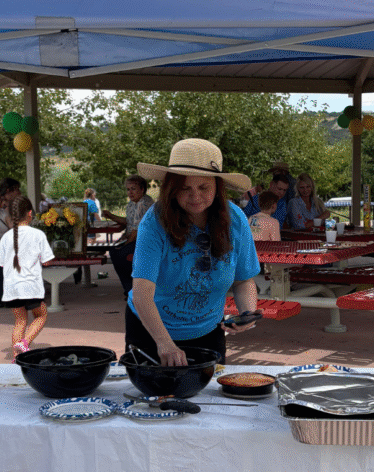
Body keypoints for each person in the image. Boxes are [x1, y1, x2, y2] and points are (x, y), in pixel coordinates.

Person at [129, 138, 260, 365]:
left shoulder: (236, 219)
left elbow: (243, 281)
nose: (195, 196)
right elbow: (142, 293)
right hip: (152, 330)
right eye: (185, 188)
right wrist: (165, 344)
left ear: (218, 188)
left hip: (210, 329)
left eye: (203, 187)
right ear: (171, 189)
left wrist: (247, 312)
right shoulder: (153, 222)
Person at [0, 196, 53, 358]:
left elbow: (1, 263)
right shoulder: (38, 234)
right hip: (30, 286)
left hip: (11, 287)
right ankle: (25, 342)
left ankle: (16, 357)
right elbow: (47, 261)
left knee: (20, 321)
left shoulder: (6, 237)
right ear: (30, 213)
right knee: (41, 315)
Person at [102, 175, 154, 297]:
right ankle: (129, 288)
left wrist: (125, 244)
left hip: (146, 241)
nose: (130, 192)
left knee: (121, 254)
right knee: (114, 251)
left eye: (133, 189)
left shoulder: (144, 203)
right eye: (128, 189)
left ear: (142, 190)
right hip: (134, 238)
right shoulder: (132, 204)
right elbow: (129, 222)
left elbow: (137, 231)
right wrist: (111, 216)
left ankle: (132, 290)